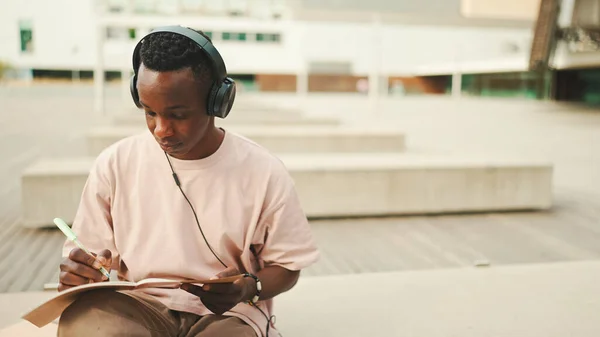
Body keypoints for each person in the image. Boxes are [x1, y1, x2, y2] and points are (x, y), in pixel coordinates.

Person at [56, 26, 320, 337]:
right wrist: (81, 270)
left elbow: (288, 266)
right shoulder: (114, 163)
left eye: (178, 115)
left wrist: (249, 286)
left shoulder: (264, 171)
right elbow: (89, 254)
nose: (161, 130)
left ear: (217, 103)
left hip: (229, 314)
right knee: (84, 327)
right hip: (136, 305)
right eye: (150, 112)